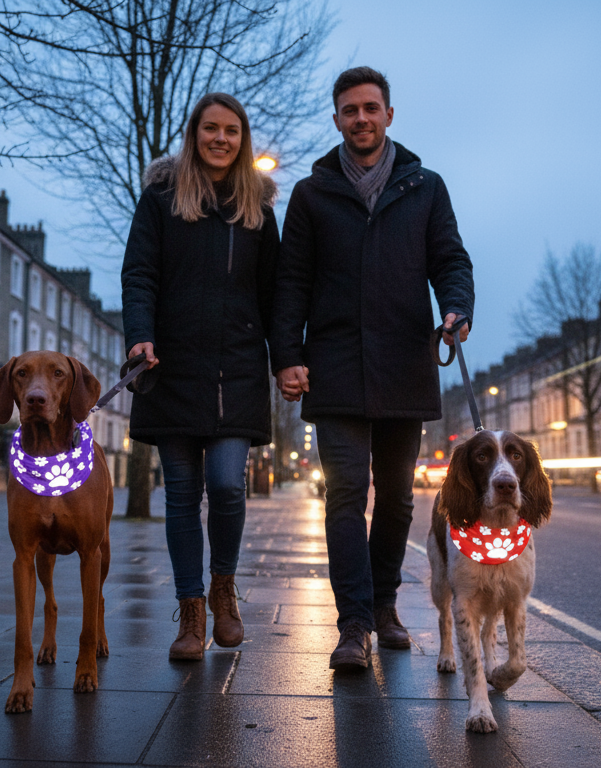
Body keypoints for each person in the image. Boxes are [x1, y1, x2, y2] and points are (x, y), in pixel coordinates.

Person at [270, 67, 474, 671]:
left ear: (388, 114)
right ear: (336, 119)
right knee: (344, 495)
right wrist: (288, 356)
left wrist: (456, 307)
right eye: (349, 110)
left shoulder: (425, 187)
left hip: (404, 364)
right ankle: (354, 623)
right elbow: (290, 283)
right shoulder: (311, 194)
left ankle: (385, 606)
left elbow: (450, 259)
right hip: (333, 368)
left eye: (370, 107)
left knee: (397, 501)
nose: (360, 118)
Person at [122, 92, 279, 662]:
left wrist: (287, 358)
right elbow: (139, 273)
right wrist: (140, 333)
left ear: (243, 139)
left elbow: (276, 294)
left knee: (229, 484)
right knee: (183, 494)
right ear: (194, 134)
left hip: (238, 369)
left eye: (231, 130)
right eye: (211, 128)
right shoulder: (161, 199)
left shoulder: (257, 208)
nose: (221, 138)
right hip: (172, 368)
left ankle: (223, 588)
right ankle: (191, 612)